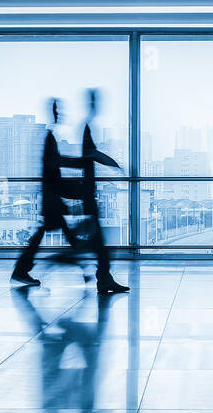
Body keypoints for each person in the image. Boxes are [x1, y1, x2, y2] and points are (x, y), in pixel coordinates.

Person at [11, 98, 91, 287]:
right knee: (59, 234)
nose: (60, 113)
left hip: (51, 194)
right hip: (51, 195)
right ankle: (22, 270)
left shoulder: (50, 137)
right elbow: (53, 164)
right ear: (52, 112)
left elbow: (52, 164)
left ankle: (83, 269)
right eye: (58, 110)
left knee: (52, 233)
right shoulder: (49, 137)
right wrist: (78, 163)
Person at [65, 88, 129, 294]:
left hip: (88, 192)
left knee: (97, 241)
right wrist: (116, 165)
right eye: (95, 101)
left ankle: (102, 276)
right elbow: (91, 154)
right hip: (88, 194)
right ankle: (99, 276)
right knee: (99, 242)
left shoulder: (86, 126)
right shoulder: (86, 127)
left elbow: (87, 156)